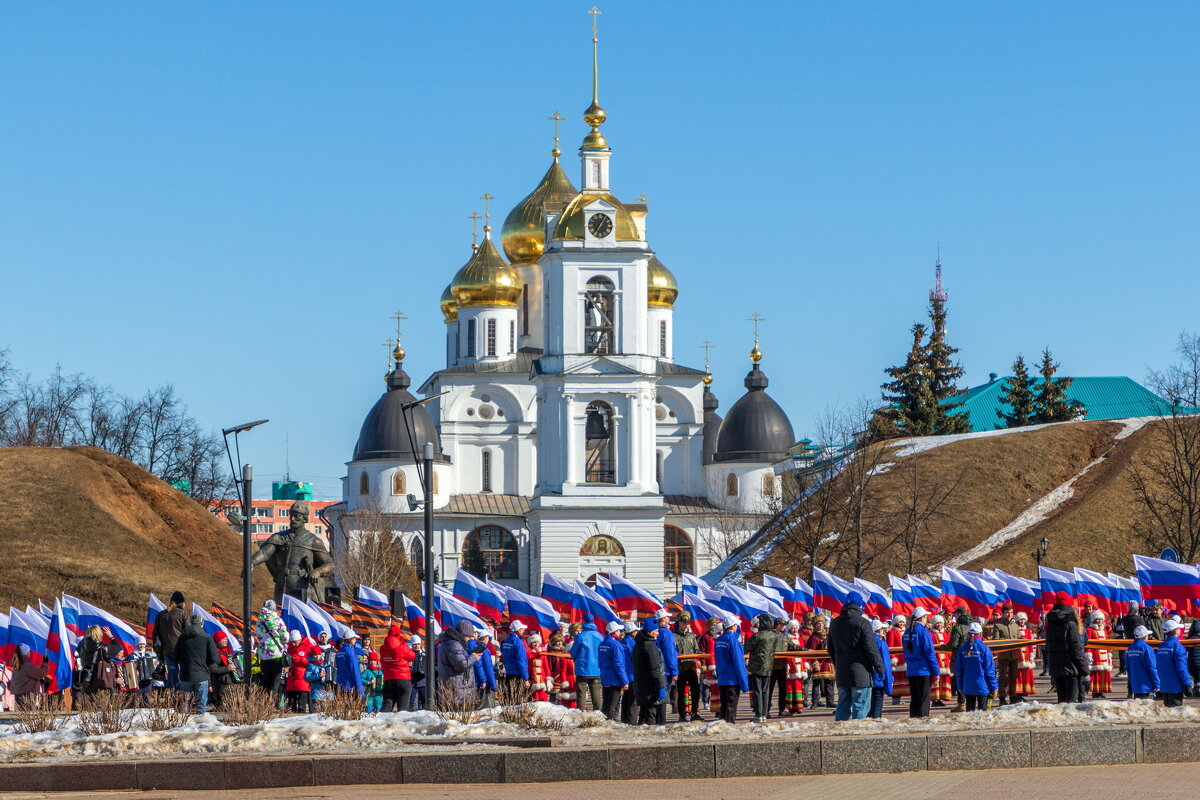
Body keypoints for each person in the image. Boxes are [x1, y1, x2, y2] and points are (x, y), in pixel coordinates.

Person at [828, 592, 883, 721]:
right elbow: (871, 648)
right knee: (860, 707)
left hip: (842, 670)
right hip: (861, 671)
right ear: (860, 605)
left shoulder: (834, 623)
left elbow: (830, 648)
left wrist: (837, 663)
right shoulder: (863, 622)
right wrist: (879, 667)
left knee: (843, 705)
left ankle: (839, 736)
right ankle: (858, 738)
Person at [1044, 592, 1088, 703]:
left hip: (1056, 666)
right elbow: (1075, 648)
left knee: (1061, 701)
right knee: (1071, 703)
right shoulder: (1070, 623)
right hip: (1071, 668)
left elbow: (1048, 645)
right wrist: (1084, 668)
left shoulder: (1050, 622)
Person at [174, 614, 219, 713]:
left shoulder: (182, 637)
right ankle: (200, 726)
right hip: (202, 676)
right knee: (201, 705)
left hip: (185, 675)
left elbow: (176, 656)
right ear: (202, 624)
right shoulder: (207, 638)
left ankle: (184, 726)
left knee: (185, 704)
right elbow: (215, 658)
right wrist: (208, 668)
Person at [903, 606, 940, 718]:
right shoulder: (923, 632)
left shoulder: (906, 632)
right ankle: (923, 721)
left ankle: (913, 720)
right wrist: (936, 671)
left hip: (911, 670)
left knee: (914, 698)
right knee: (924, 699)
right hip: (923, 670)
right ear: (923, 617)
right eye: (926, 617)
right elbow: (930, 653)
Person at [746, 613, 783, 722]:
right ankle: (764, 713)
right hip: (769, 666)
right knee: (765, 691)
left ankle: (758, 714)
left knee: (757, 691)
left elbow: (747, 647)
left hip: (756, 666)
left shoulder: (757, 635)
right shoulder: (774, 635)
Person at [955, 622, 998, 711]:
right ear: (981, 634)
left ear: (968, 634)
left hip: (968, 686)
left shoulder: (962, 649)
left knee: (970, 714)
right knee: (982, 716)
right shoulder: (985, 649)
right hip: (982, 686)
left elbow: (959, 671)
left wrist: (960, 686)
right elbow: (989, 671)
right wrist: (994, 687)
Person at [632, 618, 668, 725]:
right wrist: (661, 686)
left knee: (643, 715)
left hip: (641, 684)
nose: (658, 633)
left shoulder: (638, 644)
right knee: (650, 716)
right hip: (651, 687)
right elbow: (655, 668)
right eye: (656, 631)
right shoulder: (650, 646)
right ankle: (650, 738)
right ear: (649, 632)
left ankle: (641, 738)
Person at [714, 616, 749, 723]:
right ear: (734, 626)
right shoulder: (733, 641)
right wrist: (744, 684)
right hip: (732, 679)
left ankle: (722, 726)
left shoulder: (719, 640)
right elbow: (739, 663)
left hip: (722, 678)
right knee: (731, 707)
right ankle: (729, 727)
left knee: (724, 706)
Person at [436, 621, 480, 705]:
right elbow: (461, 665)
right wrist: (473, 657)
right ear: (464, 635)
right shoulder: (453, 644)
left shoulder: (451, 643)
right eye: (469, 636)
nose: (469, 639)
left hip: (457, 689)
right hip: (456, 691)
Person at [152, 591, 188, 689]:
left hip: (166, 650)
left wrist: (159, 652)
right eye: (184, 602)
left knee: (171, 675)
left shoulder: (160, 615)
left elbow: (155, 635)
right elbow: (187, 632)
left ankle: (171, 697)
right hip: (181, 650)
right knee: (183, 675)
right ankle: (183, 698)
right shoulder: (183, 613)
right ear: (180, 602)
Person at [569, 613, 604, 713]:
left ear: (583, 622)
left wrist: (576, 659)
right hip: (596, 669)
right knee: (596, 694)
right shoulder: (599, 636)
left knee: (581, 694)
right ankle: (598, 714)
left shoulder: (580, 637)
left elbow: (573, 653)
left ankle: (580, 714)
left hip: (582, 669)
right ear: (593, 622)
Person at [987, 604, 1021, 705]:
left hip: (1014, 655)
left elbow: (1018, 639)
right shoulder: (998, 625)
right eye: (1007, 613)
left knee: (1014, 677)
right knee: (1002, 677)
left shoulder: (1015, 626)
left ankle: (1013, 696)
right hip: (1003, 656)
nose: (1009, 615)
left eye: (1011, 613)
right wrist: (1008, 641)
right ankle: (1002, 698)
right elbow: (995, 641)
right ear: (1003, 613)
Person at [598, 620, 631, 721]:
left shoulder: (602, 644)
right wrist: (625, 681)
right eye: (618, 630)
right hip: (615, 679)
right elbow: (619, 664)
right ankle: (610, 724)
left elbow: (600, 662)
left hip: (605, 677)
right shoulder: (616, 645)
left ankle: (602, 721)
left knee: (606, 703)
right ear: (615, 632)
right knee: (613, 704)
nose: (620, 632)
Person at [673, 612, 703, 721]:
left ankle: (694, 712)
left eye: (687, 623)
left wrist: (702, 654)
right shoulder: (674, 636)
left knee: (695, 690)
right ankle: (682, 714)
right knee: (681, 692)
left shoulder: (692, 636)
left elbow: (696, 650)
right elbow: (672, 651)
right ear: (679, 622)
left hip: (691, 667)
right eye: (684, 623)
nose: (686, 625)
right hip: (680, 667)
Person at [1156, 618, 1192, 707]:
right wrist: (1187, 684)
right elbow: (1181, 668)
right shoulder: (1178, 647)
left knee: (1168, 712)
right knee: (1176, 713)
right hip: (1175, 687)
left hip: (1164, 686)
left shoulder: (1161, 647)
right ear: (1176, 631)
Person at [254, 599, 288, 695]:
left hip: (263, 654)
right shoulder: (277, 620)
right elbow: (285, 637)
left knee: (266, 679)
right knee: (275, 680)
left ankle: (265, 702)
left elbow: (258, 636)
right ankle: (273, 703)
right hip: (275, 653)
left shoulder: (259, 621)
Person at [380, 624, 416, 712]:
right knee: (403, 707)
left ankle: (381, 724)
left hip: (388, 679)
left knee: (387, 706)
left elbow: (382, 661)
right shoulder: (402, 647)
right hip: (403, 678)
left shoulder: (383, 648)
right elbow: (412, 656)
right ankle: (402, 725)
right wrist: (403, 642)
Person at [77, 625, 122, 694]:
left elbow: (79, 646)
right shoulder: (104, 648)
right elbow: (118, 647)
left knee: (87, 703)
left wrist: (87, 633)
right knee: (100, 703)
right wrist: (111, 636)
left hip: (87, 681)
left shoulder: (83, 647)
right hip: (102, 681)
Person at [653, 608, 679, 713]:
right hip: (666, 669)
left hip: (655, 667)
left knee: (656, 695)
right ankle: (661, 721)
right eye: (667, 617)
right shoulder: (666, 633)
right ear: (663, 618)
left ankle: (655, 719)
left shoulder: (653, 632)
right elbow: (670, 654)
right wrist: (674, 671)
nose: (669, 619)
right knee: (663, 696)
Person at [807, 617, 835, 708]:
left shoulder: (828, 635)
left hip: (827, 663)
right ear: (815, 625)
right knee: (816, 684)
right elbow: (811, 651)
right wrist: (814, 663)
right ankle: (815, 702)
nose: (820, 625)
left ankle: (830, 701)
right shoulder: (813, 638)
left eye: (821, 623)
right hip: (818, 663)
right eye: (818, 623)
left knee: (829, 683)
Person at [947, 606, 972, 711]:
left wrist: (943, 647)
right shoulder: (972, 626)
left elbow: (954, 644)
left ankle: (961, 703)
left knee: (960, 680)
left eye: (956, 614)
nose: (954, 616)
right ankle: (970, 702)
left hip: (958, 657)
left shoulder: (957, 628)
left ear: (960, 614)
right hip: (971, 656)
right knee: (969, 679)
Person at [868, 619, 894, 719]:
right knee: (876, 710)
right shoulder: (881, 644)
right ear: (879, 630)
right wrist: (889, 686)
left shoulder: (863, 642)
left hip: (866, 680)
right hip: (879, 679)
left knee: (868, 709)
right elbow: (886, 665)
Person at [10, 644, 48, 710]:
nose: (30, 653)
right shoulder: (27, 666)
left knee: (21, 715)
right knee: (27, 716)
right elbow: (40, 673)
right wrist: (45, 664)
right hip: (27, 695)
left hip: (18, 694)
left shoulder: (16, 665)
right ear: (25, 654)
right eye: (28, 651)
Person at [1126, 625, 1159, 699]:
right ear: (1145, 636)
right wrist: (1157, 684)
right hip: (1145, 685)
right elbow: (1152, 667)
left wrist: (1130, 684)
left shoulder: (1130, 648)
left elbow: (1128, 667)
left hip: (1135, 684)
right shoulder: (1147, 648)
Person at [782, 619, 807, 716]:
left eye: (795, 628)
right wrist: (787, 664)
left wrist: (805, 664)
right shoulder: (786, 639)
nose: (794, 630)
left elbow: (804, 653)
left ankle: (798, 706)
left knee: (799, 686)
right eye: (792, 628)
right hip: (791, 664)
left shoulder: (800, 639)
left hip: (800, 665)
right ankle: (790, 707)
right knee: (790, 687)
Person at [209, 631, 240, 709]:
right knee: (224, 708)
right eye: (223, 639)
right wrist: (228, 668)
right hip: (222, 686)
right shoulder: (214, 653)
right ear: (218, 640)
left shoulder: (228, 651)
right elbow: (213, 669)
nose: (226, 641)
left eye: (226, 639)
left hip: (231, 684)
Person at [284, 630, 313, 711]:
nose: (293, 644)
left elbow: (311, 661)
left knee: (302, 703)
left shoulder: (308, 646)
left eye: (295, 642)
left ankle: (302, 719)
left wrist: (298, 659)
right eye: (291, 642)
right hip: (291, 676)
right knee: (291, 703)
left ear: (299, 640)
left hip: (302, 677)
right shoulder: (289, 646)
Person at [697, 616, 721, 717]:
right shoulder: (705, 637)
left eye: (716, 624)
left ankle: (718, 707)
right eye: (712, 624)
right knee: (706, 685)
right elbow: (702, 651)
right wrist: (703, 664)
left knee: (717, 687)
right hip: (708, 665)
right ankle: (706, 701)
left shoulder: (719, 637)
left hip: (718, 665)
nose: (714, 626)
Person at [1087, 611, 1114, 699]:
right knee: (1096, 674)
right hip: (1095, 655)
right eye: (1097, 619)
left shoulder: (1104, 630)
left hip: (1105, 655)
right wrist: (1089, 654)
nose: (1099, 621)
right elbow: (1088, 644)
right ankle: (1095, 692)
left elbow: (1107, 642)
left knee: (1103, 673)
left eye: (1101, 619)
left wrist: (1109, 653)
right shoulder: (1089, 630)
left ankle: (1102, 691)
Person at [501, 621, 530, 696]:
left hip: (508, 673)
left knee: (509, 700)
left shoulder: (506, 641)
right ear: (519, 630)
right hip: (517, 675)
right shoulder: (518, 642)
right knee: (517, 702)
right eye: (522, 629)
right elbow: (521, 661)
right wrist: (525, 678)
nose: (524, 630)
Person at [929, 615, 953, 705]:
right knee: (936, 679)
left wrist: (950, 658)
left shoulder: (946, 634)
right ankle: (935, 699)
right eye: (937, 623)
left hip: (945, 660)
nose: (939, 625)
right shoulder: (931, 634)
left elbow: (949, 647)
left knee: (944, 679)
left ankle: (942, 697)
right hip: (936, 660)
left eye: (940, 623)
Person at [886, 615, 909, 705]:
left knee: (904, 679)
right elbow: (890, 646)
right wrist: (893, 659)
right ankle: (895, 698)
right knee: (896, 680)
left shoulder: (906, 632)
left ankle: (900, 697)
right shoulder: (891, 632)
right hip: (897, 660)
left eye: (903, 622)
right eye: (900, 622)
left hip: (905, 659)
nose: (901, 623)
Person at [1014, 612, 1037, 701]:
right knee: (1018, 675)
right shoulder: (1015, 630)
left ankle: (1024, 692)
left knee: (1026, 674)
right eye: (1020, 619)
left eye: (1023, 619)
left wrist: (1032, 655)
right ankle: (1018, 693)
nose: (1022, 621)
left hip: (1026, 656)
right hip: (1018, 655)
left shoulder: (1028, 631)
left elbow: (1031, 644)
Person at [620, 619, 639, 724]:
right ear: (632, 632)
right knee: (633, 701)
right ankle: (632, 722)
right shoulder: (632, 643)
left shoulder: (621, 642)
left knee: (625, 700)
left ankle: (624, 720)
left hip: (624, 675)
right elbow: (634, 657)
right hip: (632, 674)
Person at [474, 630, 498, 709]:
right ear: (485, 638)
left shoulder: (476, 648)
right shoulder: (484, 650)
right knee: (486, 708)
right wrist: (493, 685)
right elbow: (488, 669)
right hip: (485, 683)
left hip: (476, 681)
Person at [527, 633, 551, 702]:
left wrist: (548, 679)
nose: (536, 644)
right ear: (531, 643)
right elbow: (528, 667)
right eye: (534, 642)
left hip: (542, 679)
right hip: (532, 678)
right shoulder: (529, 654)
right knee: (534, 697)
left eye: (537, 642)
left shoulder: (543, 654)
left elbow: (546, 667)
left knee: (543, 697)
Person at [409, 635, 427, 710]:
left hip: (422, 681)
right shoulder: (409, 655)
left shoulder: (424, 654)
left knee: (425, 702)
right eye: (415, 644)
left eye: (418, 644)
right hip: (412, 682)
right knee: (410, 702)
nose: (417, 646)